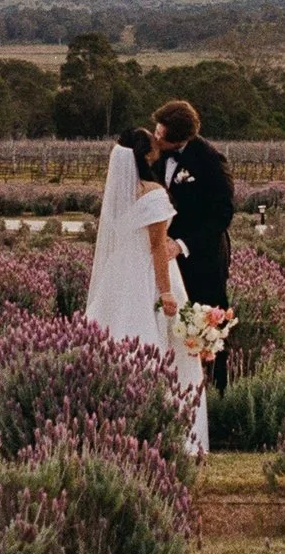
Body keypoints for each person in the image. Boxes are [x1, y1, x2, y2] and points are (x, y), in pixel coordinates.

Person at [81, 128, 206, 454]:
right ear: (146, 154)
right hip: (148, 275)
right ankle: (162, 426)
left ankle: (113, 426)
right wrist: (166, 294)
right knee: (161, 345)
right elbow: (156, 250)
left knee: (116, 339)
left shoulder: (117, 197)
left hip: (118, 275)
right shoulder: (152, 194)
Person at [150, 99, 233, 311]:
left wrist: (181, 245)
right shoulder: (154, 154)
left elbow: (222, 215)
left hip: (202, 259)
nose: (156, 138)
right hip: (162, 256)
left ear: (180, 139)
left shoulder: (211, 161)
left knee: (204, 327)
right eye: (156, 131)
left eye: (161, 136)